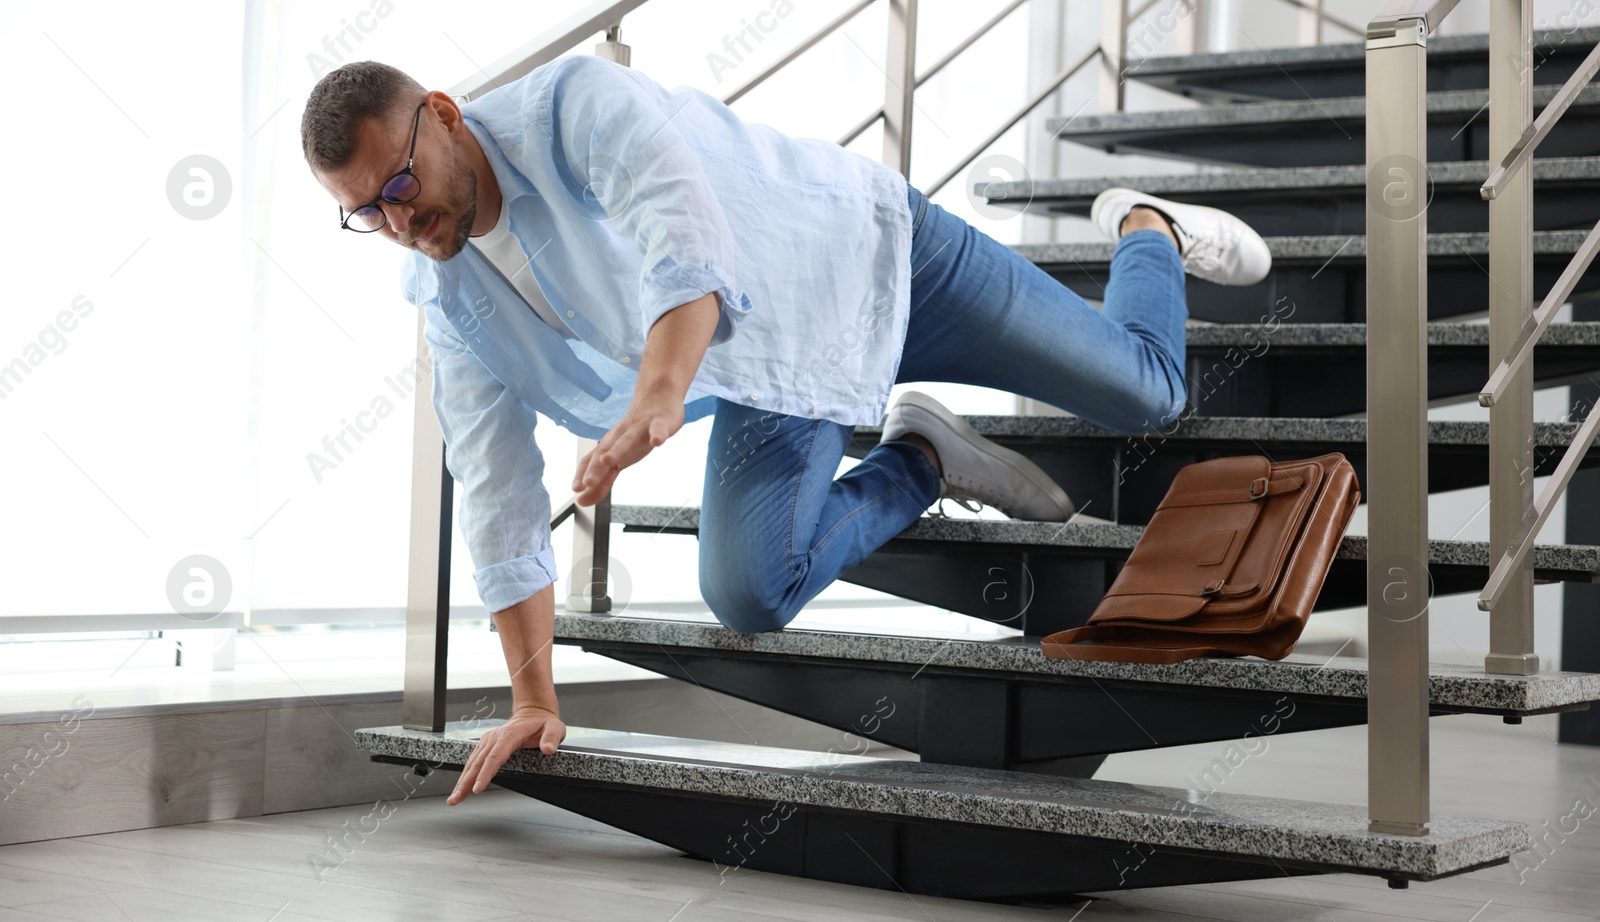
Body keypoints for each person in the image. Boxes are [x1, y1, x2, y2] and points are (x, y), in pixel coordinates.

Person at [299, 55, 1272, 807]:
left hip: (874, 252)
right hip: (780, 372)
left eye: (399, 182)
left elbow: (685, 240)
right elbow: (498, 492)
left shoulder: (571, 107)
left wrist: (658, 391)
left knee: (1146, 393)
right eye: (365, 213)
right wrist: (533, 699)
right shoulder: (447, 297)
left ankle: (1147, 225)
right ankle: (921, 453)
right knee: (748, 587)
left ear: (443, 114)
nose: (399, 218)